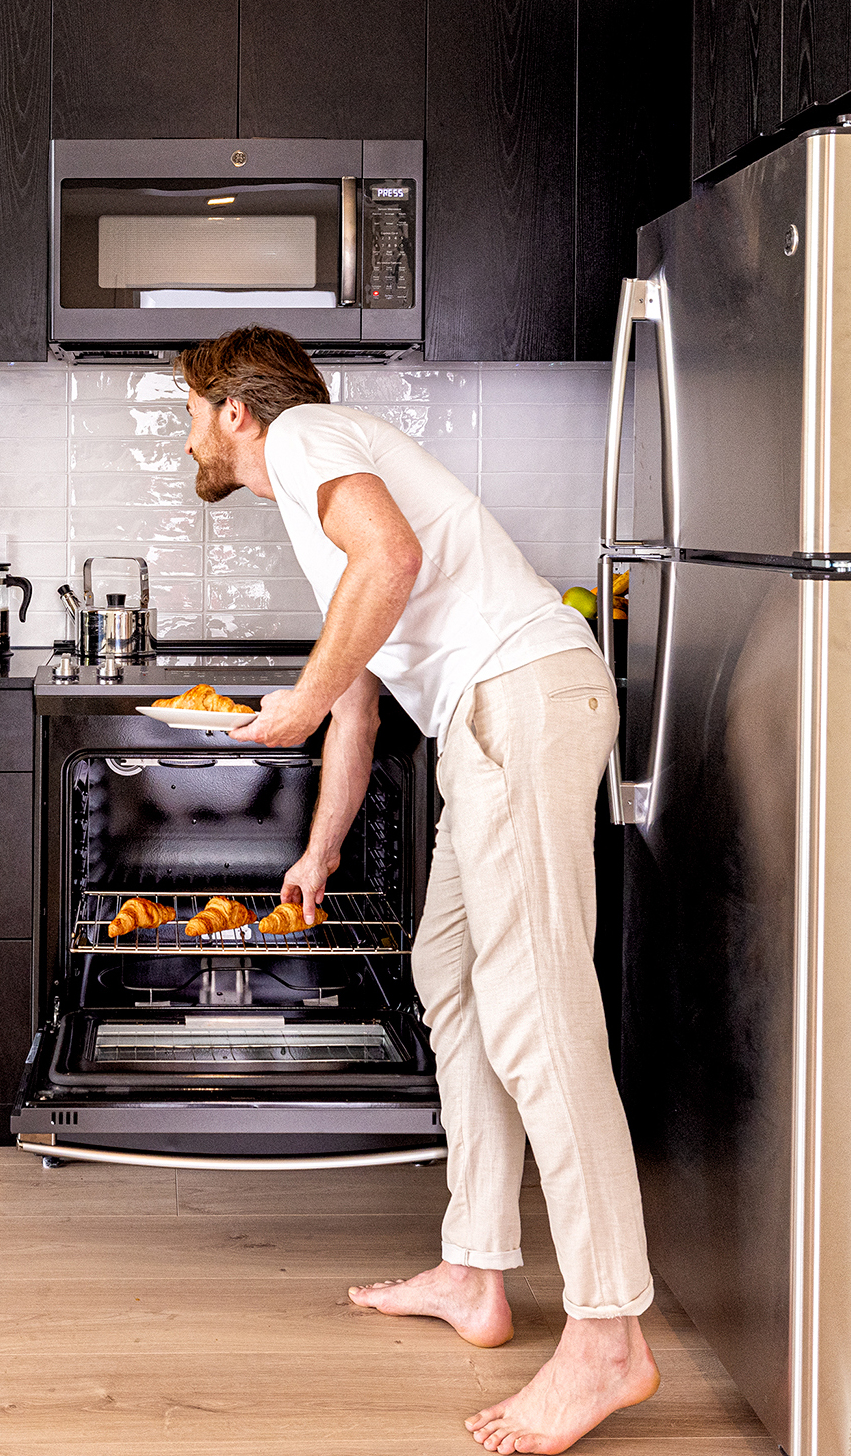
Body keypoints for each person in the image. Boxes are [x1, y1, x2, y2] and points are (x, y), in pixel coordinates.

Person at [178, 326, 658, 1455]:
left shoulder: (299, 435)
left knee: (537, 1012)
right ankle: (476, 1265)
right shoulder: (318, 489)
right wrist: (320, 847)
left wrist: (291, 703)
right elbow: (354, 694)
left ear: (234, 410)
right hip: (487, 720)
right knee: (450, 978)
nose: (185, 433)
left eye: (189, 410)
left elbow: (384, 566)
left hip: (519, 701)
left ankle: (606, 1334)